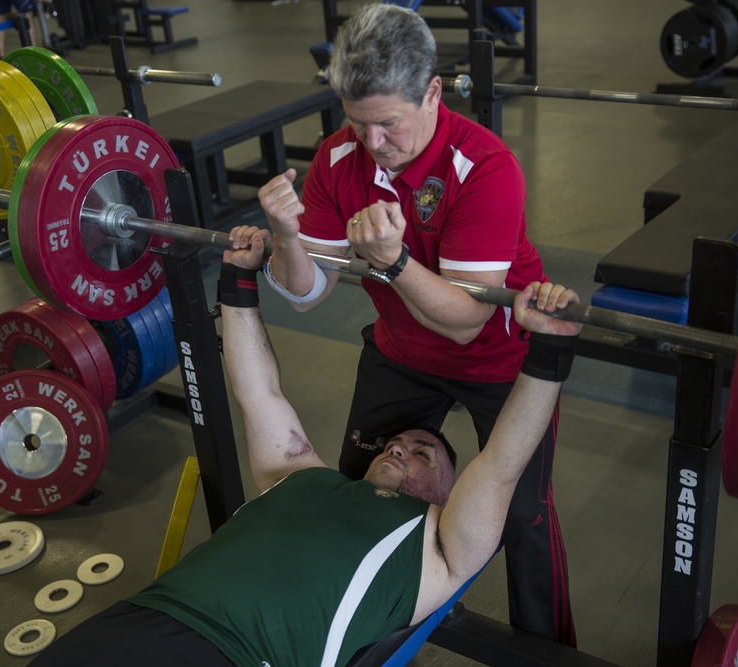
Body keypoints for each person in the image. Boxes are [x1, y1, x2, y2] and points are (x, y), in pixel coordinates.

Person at [28, 243, 582, 666]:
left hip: (241, 656)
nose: (399, 446)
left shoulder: (442, 545)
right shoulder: (298, 475)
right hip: (141, 615)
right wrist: (238, 278)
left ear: (448, 491)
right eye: (396, 442)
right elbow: (259, 393)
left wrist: (551, 348)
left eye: (423, 453)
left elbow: (503, 461)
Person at [250, 1, 575, 645]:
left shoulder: (484, 168)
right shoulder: (339, 158)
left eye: (388, 124)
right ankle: (354, 635)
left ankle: (545, 653)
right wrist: (286, 236)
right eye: (356, 123)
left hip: (496, 361)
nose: (372, 143)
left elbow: (463, 323)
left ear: (431, 93)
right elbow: (308, 292)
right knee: (353, 488)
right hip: (401, 349)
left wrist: (393, 261)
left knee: (520, 520)